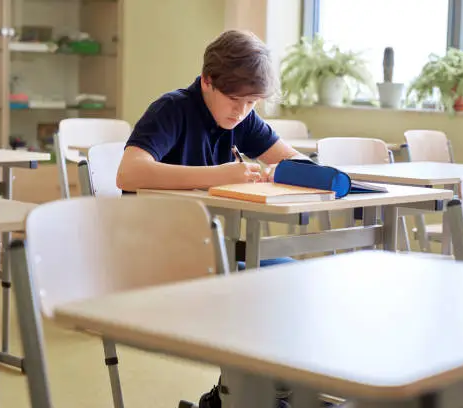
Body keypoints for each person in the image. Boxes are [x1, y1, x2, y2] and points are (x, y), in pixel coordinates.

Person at [116, 29, 317, 407]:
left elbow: (293, 161)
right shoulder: (172, 109)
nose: (241, 111)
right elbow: (128, 172)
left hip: (214, 252)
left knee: (299, 281)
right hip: (160, 257)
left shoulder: (242, 117)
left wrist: (291, 172)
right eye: (234, 99)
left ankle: (244, 395)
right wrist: (219, 175)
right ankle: (242, 396)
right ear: (207, 80)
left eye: (252, 102)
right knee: (266, 289)